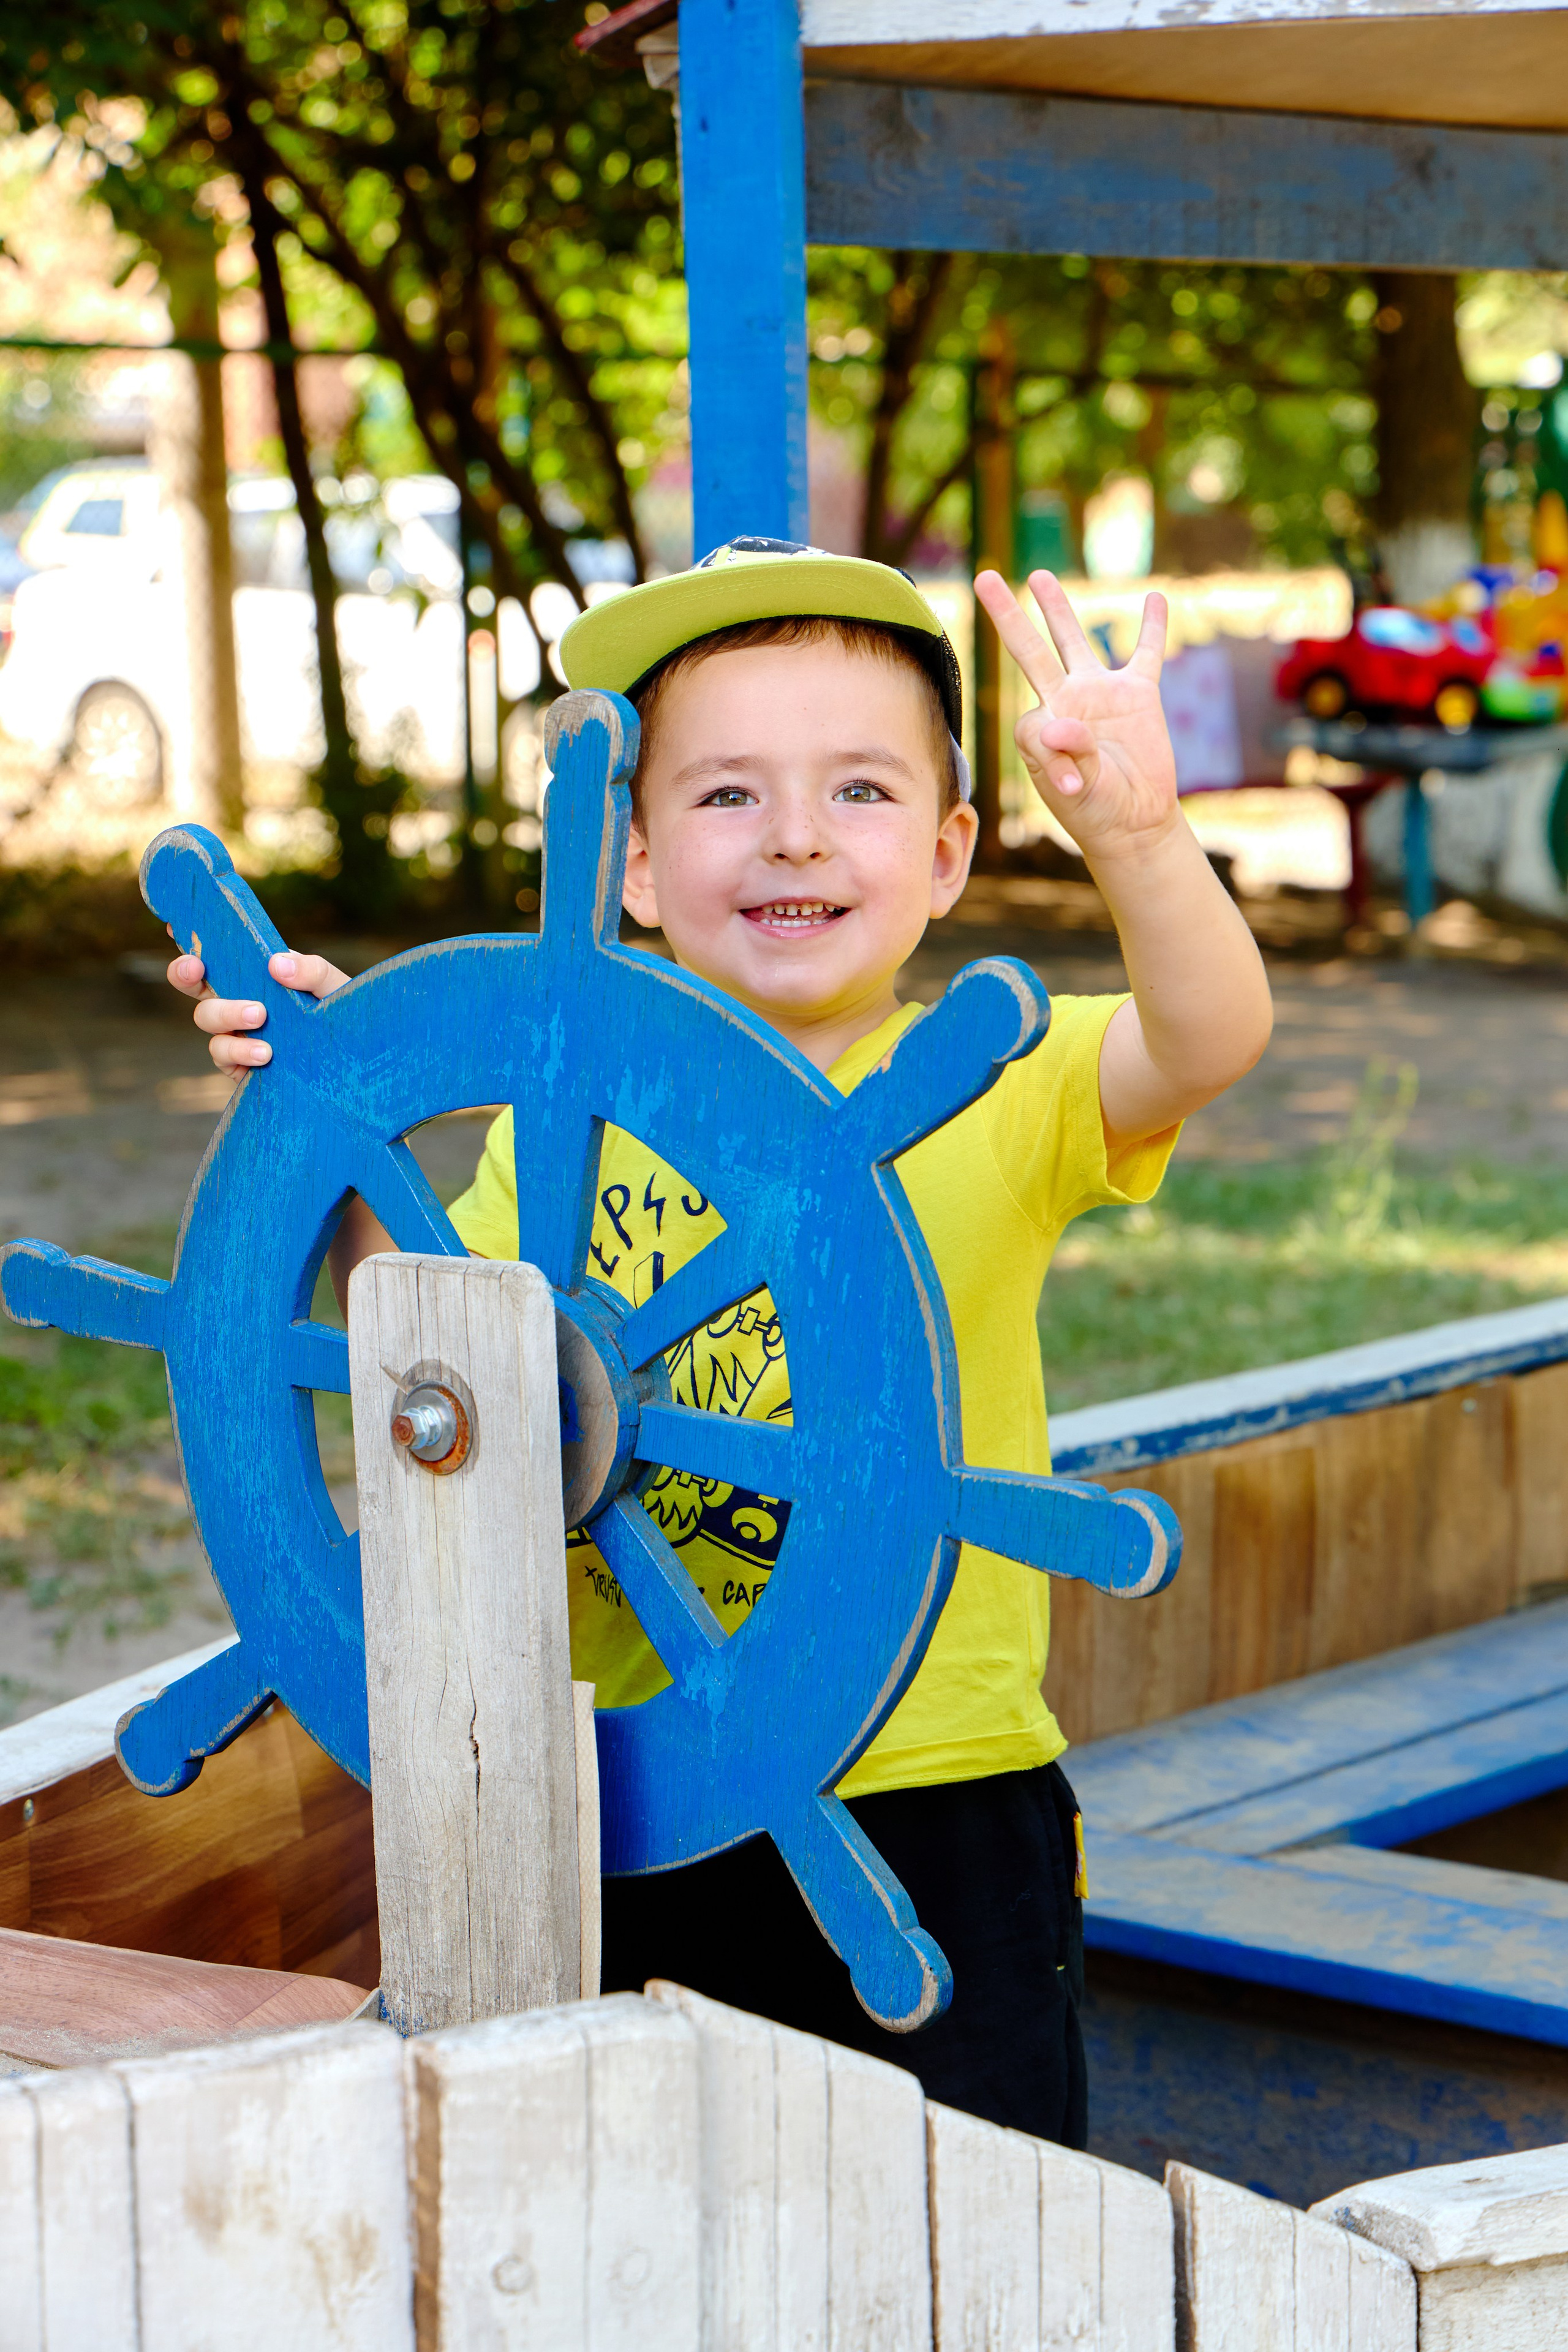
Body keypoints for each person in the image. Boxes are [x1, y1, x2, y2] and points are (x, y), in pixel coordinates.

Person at [168, 538, 1272, 2146]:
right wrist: (335, 1120)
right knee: (651, 2231)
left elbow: (1211, 1036)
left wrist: (1142, 837)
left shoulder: (999, 1085)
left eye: (863, 792)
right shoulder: (562, 1134)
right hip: (635, 1794)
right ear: (628, 865)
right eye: (728, 796)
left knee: (977, 2235)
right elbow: (436, 1357)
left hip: (928, 1798)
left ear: (955, 852)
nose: (798, 837)